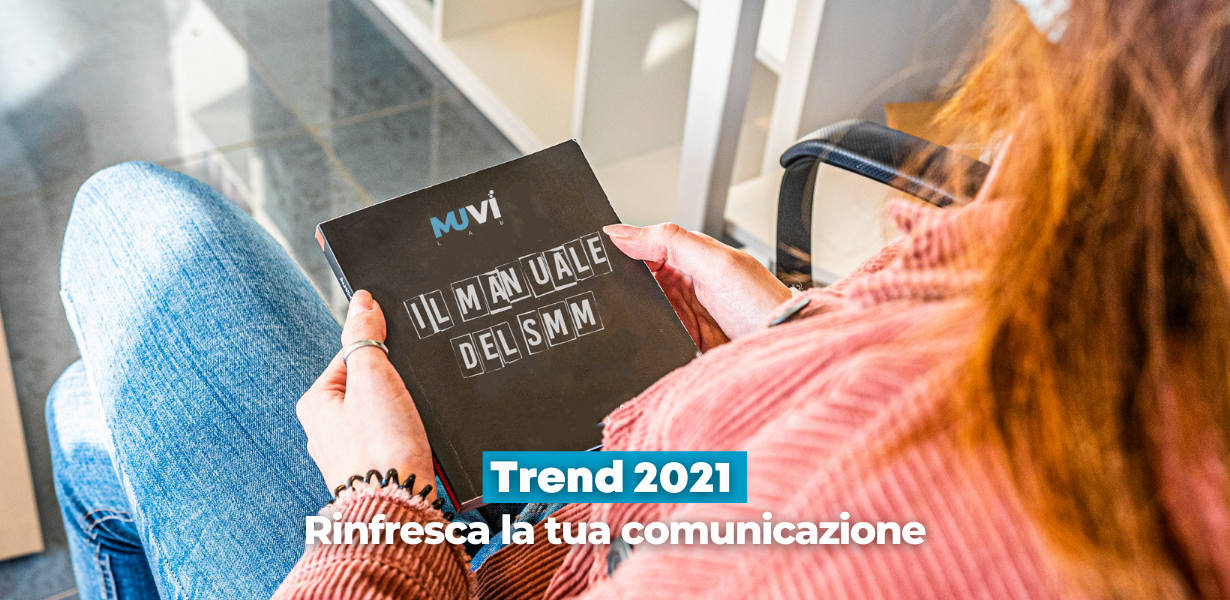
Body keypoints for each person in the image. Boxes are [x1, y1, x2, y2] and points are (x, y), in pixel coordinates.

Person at [47, 0, 1230, 598]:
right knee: (94, 417)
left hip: (470, 561)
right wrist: (792, 338)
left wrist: (384, 506)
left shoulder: (939, 518)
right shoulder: (1156, 268)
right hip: (619, 499)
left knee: (136, 231)